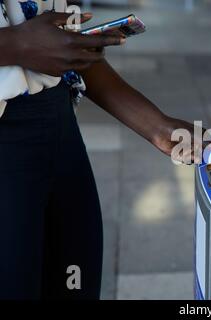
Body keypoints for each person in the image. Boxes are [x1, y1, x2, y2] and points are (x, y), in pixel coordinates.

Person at [0, 1, 200, 299]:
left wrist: (156, 127)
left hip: (60, 131)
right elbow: (32, 44)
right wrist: (15, 44)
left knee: (75, 281)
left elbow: (58, 45)